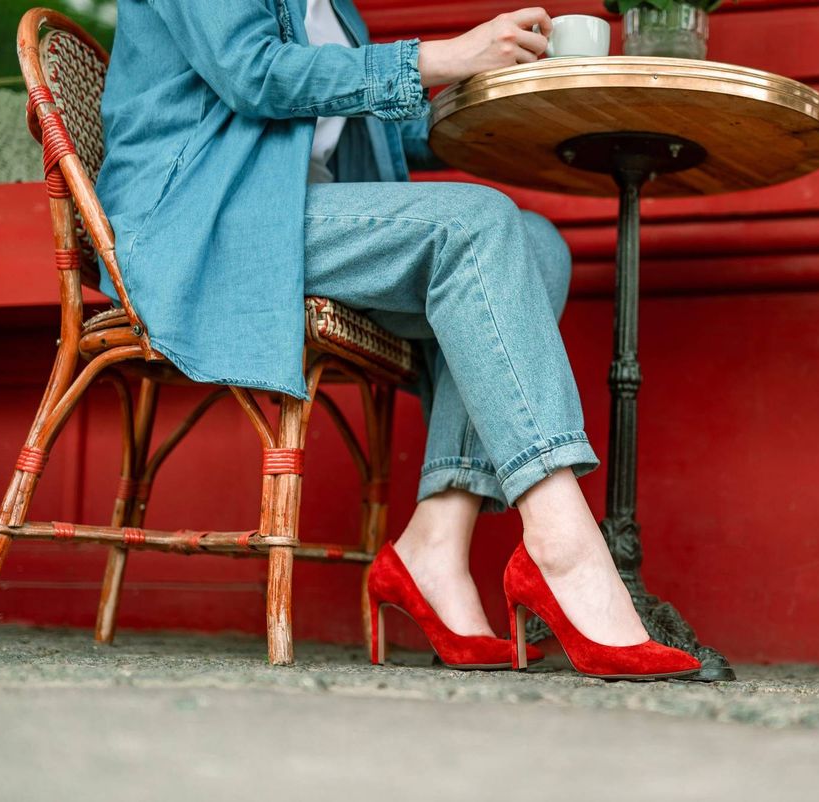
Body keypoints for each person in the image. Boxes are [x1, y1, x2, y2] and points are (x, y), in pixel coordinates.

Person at [95, 1, 699, 680]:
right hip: (206, 220)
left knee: (536, 247)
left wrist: (520, 103)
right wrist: (442, 56)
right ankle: (563, 543)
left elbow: (379, 131)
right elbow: (254, 75)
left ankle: (435, 545)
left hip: (302, 221)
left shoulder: (332, 8)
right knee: (477, 224)